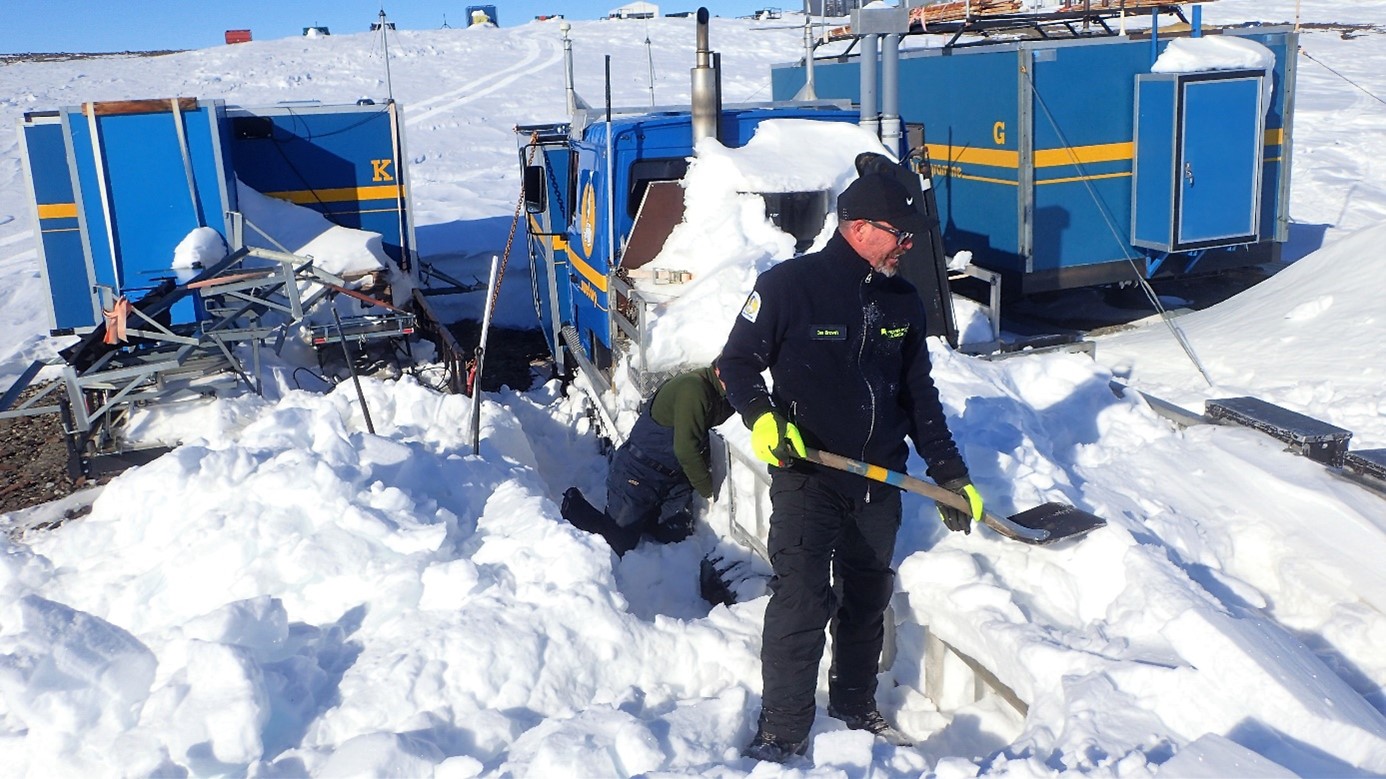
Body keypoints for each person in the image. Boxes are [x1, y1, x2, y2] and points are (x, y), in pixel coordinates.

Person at [717, 169, 985, 763]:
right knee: (802, 602)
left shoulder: (902, 299)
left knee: (866, 600)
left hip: (879, 480)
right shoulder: (790, 287)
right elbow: (735, 364)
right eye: (899, 233)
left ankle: (855, 705)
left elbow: (919, 394)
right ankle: (782, 732)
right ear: (858, 227)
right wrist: (764, 419)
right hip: (809, 475)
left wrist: (950, 474)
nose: (908, 245)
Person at [561, 363, 733, 555]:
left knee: (675, 536)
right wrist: (709, 490)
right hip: (638, 473)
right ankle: (573, 505)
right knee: (618, 543)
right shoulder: (692, 389)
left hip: (673, 479)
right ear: (718, 370)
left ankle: (643, 515)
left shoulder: (720, 391)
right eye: (736, 378)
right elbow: (685, 449)